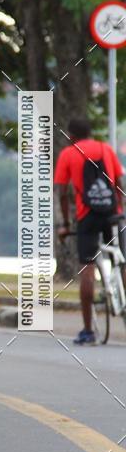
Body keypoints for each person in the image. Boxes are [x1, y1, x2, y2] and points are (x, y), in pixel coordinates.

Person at [55, 118, 125, 345]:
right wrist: (120, 209)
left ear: (71, 135)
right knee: (121, 261)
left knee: (87, 268)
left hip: (87, 217)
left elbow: (62, 192)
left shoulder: (68, 154)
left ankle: (88, 331)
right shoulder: (106, 149)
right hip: (112, 214)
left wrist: (65, 224)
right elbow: (120, 182)